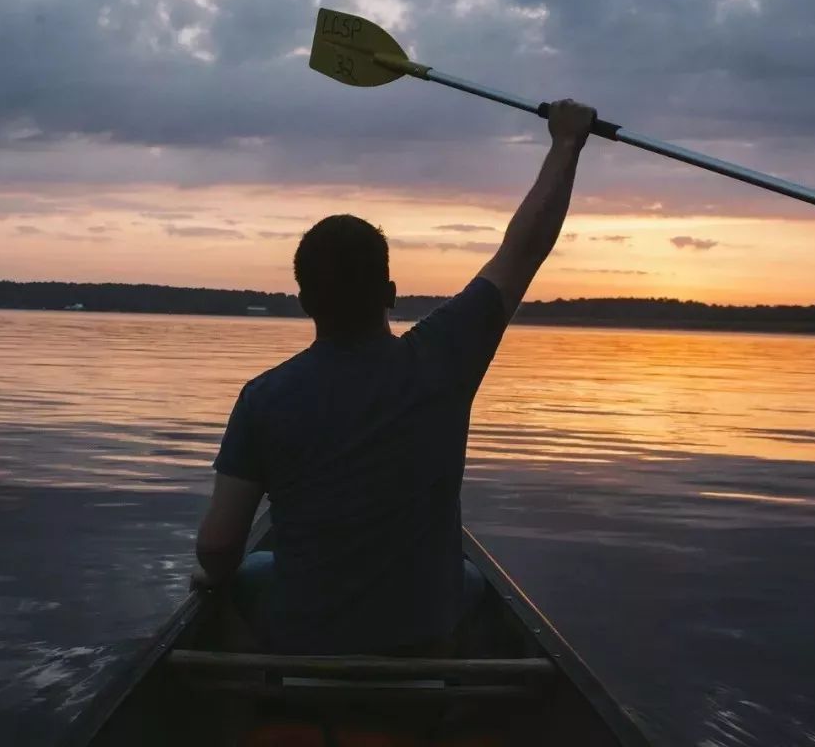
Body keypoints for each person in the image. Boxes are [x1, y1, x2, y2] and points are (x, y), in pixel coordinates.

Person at [191, 99, 598, 655]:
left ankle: (259, 700)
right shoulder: (446, 356)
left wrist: (215, 578)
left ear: (304, 301)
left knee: (246, 572)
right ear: (390, 293)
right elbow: (523, 250)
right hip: (424, 633)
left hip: (304, 637)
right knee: (474, 582)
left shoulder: (263, 398)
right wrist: (566, 143)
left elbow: (217, 548)